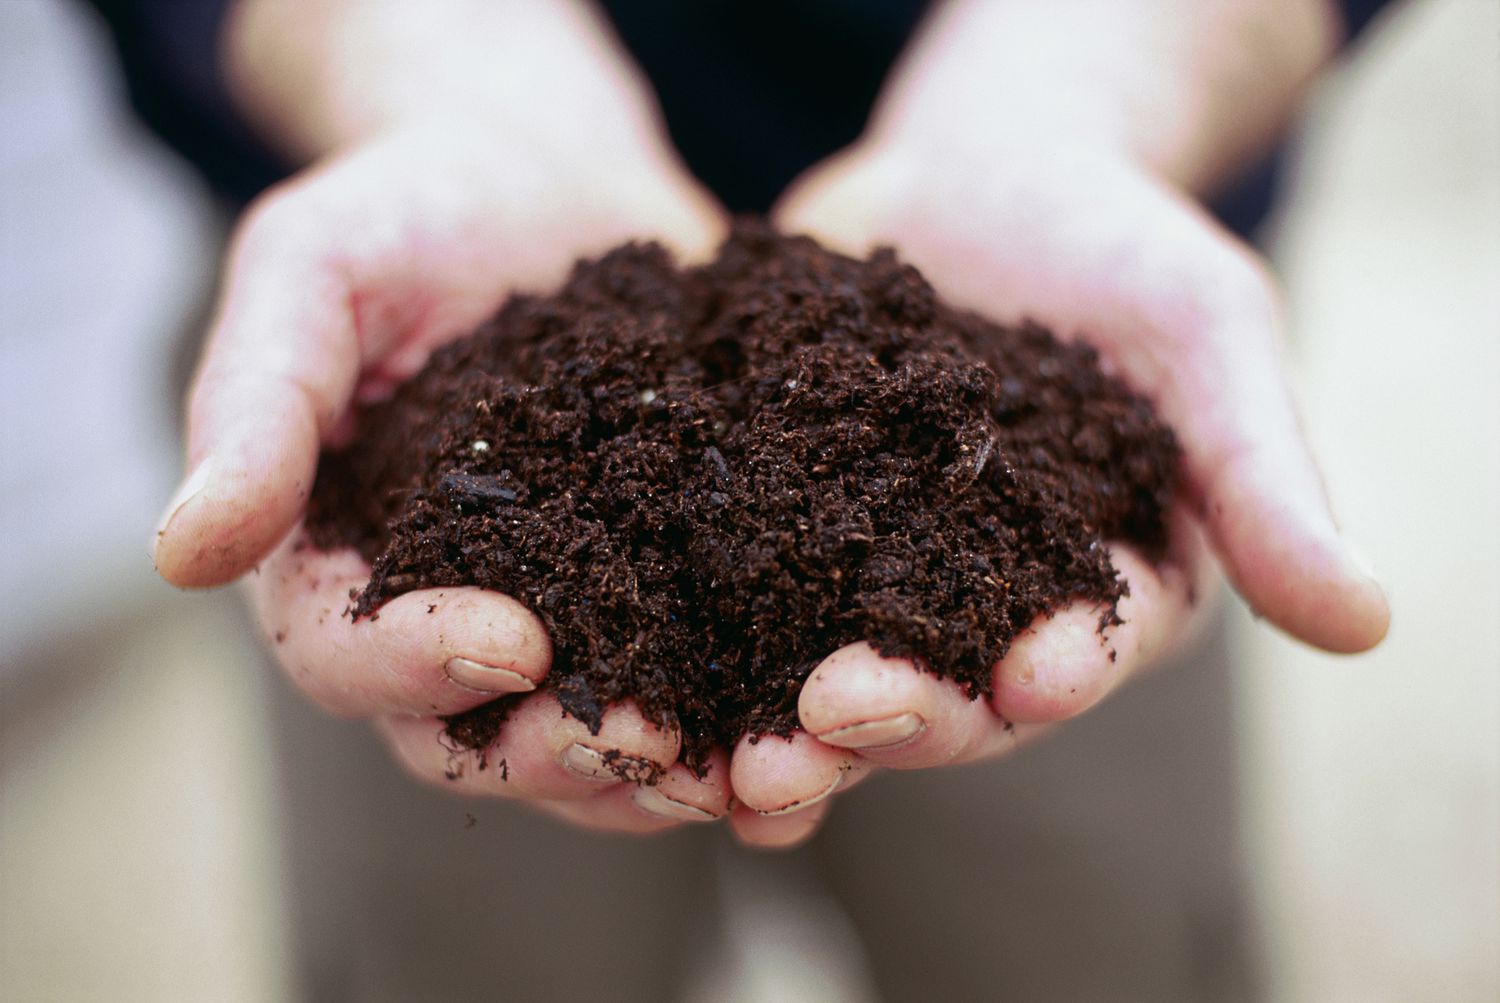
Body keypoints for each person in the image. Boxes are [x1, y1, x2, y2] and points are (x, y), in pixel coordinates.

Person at [94, 0, 1393, 996]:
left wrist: (1116, 63)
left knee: (1092, 947)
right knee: (464, 939)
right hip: (413, 279)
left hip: (1072, 256)